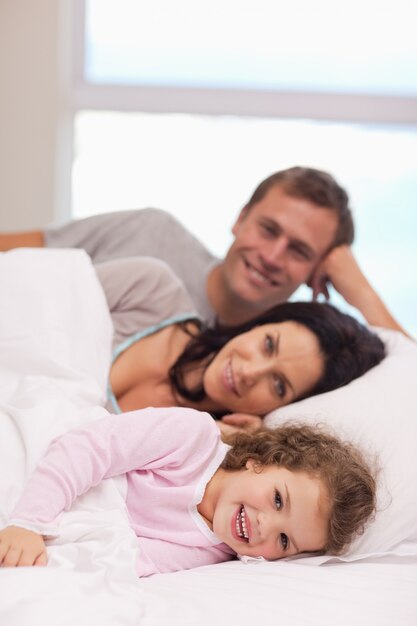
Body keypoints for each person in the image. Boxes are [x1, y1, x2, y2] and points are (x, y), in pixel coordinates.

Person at [0, 166, 406, 333]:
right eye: (268, 229)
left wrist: (362, 292)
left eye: (299, 251)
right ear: (240, 218)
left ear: (318, 274)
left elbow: (407, 388)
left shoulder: (277, 356)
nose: (272, 255)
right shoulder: (150, 231)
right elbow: (10, 252)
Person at [0, 409, 376, 575]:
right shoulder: (193, 439)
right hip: (57, 467)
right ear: (261, 459)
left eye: (284, 541)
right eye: (278, 499)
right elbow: (93, 448)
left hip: (79, 514)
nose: (265, 525)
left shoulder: (211, 552)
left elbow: (127, 560)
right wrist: (29, 523)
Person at [97, 256, 385, 425]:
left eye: (279, 385)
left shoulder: (203, 458)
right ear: (258, 324)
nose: (249, 372)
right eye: (269, 344)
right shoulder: (149, 287)